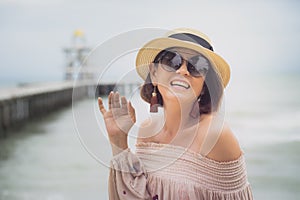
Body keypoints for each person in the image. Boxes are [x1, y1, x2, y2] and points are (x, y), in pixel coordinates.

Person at [98, 28, 253, 200]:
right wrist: (118, 140)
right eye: (172, 61)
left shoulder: (215, 135)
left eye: (197, 66)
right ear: (155, 73)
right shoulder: (147, 131)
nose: (183, 70)